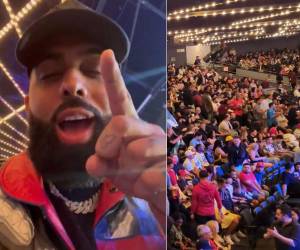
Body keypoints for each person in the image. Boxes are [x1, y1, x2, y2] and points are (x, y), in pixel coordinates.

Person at [0, 1, 165, 249]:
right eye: (51, 73)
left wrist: (165, 216)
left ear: (119, 97)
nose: (74, 83)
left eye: (94, 70)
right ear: (28, 105)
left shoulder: (153, 200)